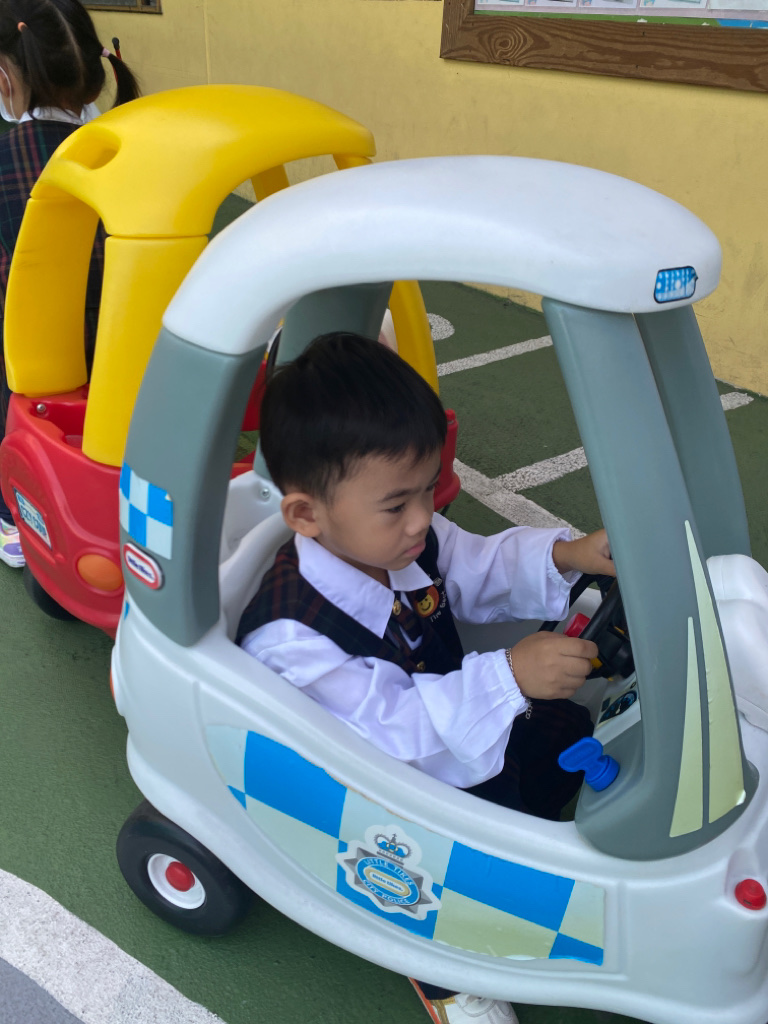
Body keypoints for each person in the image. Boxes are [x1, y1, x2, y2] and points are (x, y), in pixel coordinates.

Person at [238, 332, 615, 1024]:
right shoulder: (293, 638)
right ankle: (439, 970)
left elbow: (477, 566)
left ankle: (531, 848)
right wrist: (510, 675)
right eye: (397, 505)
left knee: (569, 730)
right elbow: (392, 734)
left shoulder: (402, 540)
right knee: (454, 864)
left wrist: (568, 554)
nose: (422, 519)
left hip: (454, 736)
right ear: (306, 514)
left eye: (427, 489)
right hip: (384, 795)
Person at [0, 0, 139, 568]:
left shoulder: (9, 160)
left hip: (35, 363)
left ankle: (15, 520)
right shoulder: (125, 148)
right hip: (127, 348)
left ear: (5, 79)